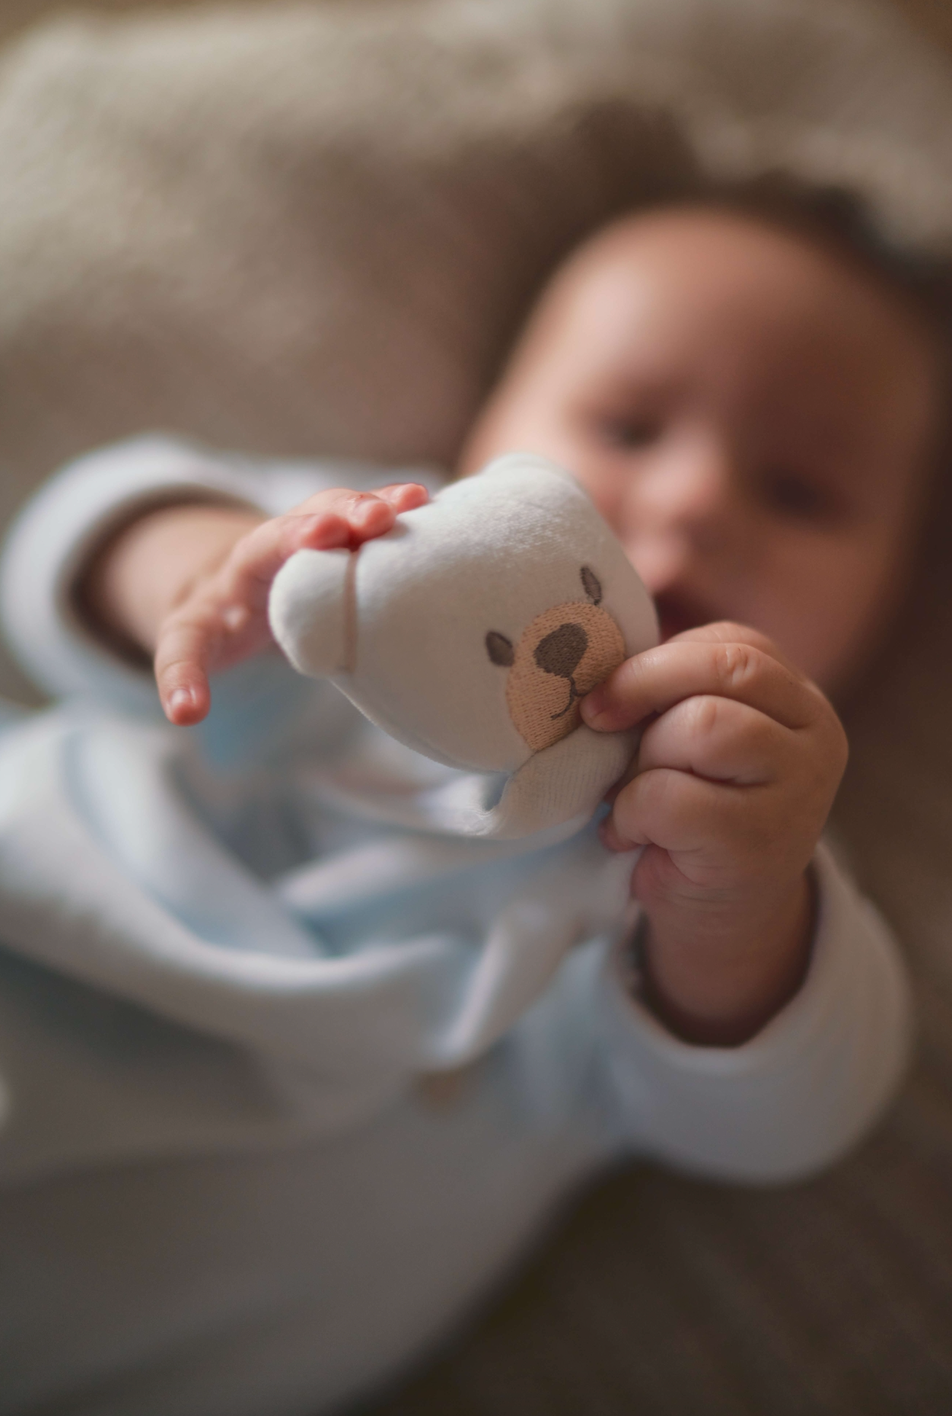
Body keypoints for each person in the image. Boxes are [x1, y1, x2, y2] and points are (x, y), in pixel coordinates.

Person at [0, 198, 935, 1415]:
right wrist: (203, 571)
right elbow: (67, 543)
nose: (697, 498)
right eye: (627, 424)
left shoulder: (752, 855)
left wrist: (741, 903)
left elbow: (790, 1119)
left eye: (802, 492)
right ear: (490, 427)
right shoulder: (367, 573)